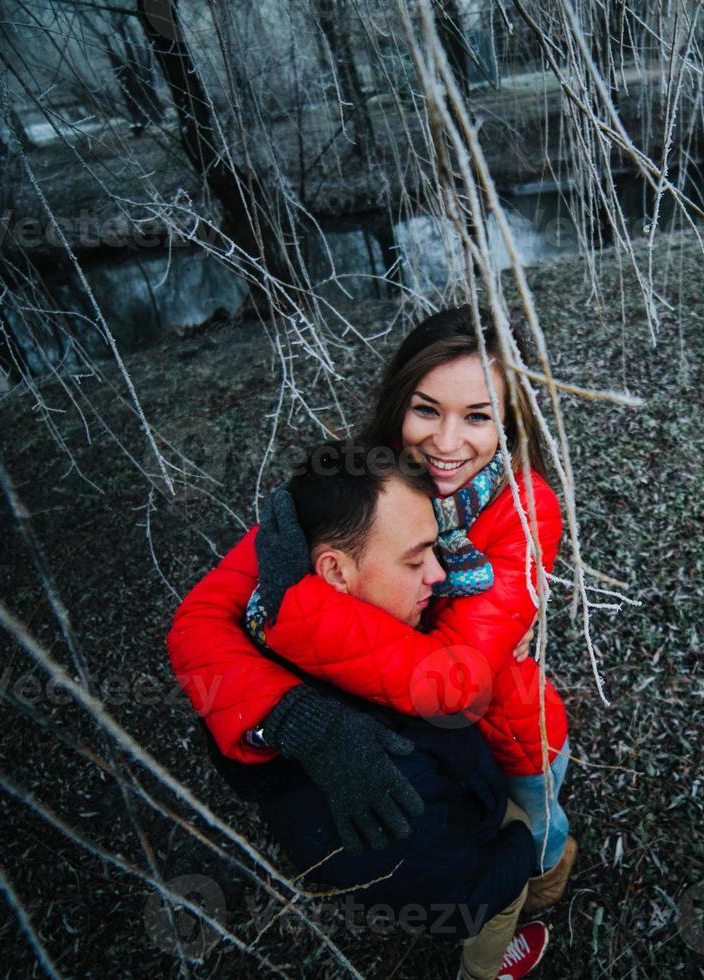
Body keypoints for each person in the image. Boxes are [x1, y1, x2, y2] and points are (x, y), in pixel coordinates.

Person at [171, 442, 548, 980]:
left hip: (450, 804)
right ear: (334, 572)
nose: (439, 575)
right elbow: (454, 890)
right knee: (496, 912)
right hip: (473, 852)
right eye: (416, 560)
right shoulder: (379, 755)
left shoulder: (257, 647)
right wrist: (517, 851)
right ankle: (486, 971)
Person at [244, 307, 577, 911]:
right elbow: (201, 622)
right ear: (400, 403)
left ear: (509, 422)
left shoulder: (526, 510)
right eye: (427, 409)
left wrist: (295, 606)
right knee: (466, 839)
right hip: (423, 750)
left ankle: (544, 889)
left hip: (513, 737)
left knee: (536, 831)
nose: (446, 444)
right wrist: (288, 713)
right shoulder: (359, 478)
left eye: (478, 417)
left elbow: (453, 680)